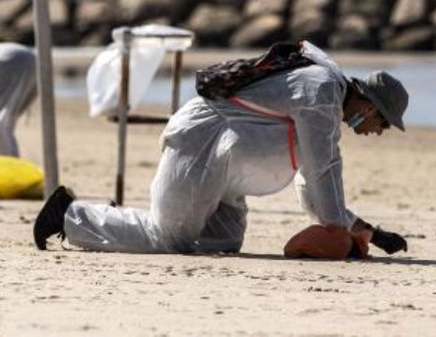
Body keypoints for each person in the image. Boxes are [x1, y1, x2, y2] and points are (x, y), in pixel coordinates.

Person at [33, 42, 410, 256]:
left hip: (228, 167)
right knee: (168, 238)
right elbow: (321, 171)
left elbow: (312, 182)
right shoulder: (323, 91)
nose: (377, 132)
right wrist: (338, 235)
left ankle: (94, 219)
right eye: (383, 123)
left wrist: (368, 233)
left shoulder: (325, 99)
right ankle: (68, 215)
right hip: (202, 143)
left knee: (223, 242)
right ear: (370, 106)